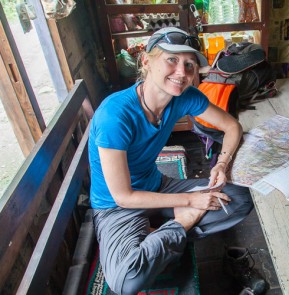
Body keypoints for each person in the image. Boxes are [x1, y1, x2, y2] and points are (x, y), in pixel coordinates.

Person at [88, 27, 254, 295]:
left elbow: (232, 127)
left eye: (189, 64)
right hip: (116, 208)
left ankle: (158, 238)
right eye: (171, 60)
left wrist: (221, 165)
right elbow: (123, 197)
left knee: (241, 199)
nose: (182, 72)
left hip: (157, 187)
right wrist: (189, 204)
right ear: (146, 60)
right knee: (126, 281)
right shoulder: (115, 115)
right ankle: (179, 226)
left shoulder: (185, 97)